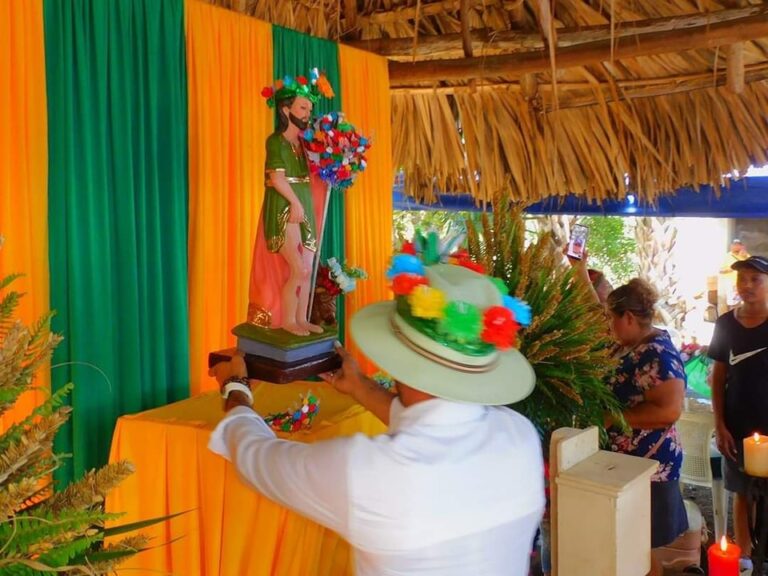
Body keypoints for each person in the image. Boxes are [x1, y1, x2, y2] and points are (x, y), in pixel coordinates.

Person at [209, 261, 545, 575]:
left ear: (400, 360)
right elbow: (434, 425)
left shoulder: (370, 470)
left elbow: (257, 457)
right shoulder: (520, 436)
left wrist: (235, 386)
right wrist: (361, 388)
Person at [569, 256, 687, 576]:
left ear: (630, 317)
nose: (606, 324)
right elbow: (593, 314)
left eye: (612, 317)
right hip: (628, 462)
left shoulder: (657, 353)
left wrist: (611, 418)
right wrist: (579, 270)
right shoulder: (627, 343)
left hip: (650, 466)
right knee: (631, 543)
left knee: (639, 547)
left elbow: (669, 410)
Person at [247, 72, 332, 336]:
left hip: (303, 203)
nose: (308, 113)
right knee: (300, 268)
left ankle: (300, 317)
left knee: (308, 267)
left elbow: (316, 174)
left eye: (309, 108)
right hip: (285, 206)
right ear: (286, 109)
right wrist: (295, 203)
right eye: (302, 107)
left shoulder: (305, 145)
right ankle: (287, 321)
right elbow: (277, 178)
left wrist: (336, 168)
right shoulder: (276, 142)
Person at [709, 255, 768, 574]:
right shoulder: (725, 324)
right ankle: (744, 555)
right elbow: (718, 376)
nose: (746, 285)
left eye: (755, 279)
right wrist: (719, 424)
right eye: (742, 279)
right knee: (742, 492)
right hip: (737, 423)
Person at [718, 239, 751, 315]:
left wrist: (746, 257)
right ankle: (732, 319)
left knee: (745, 303)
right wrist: (732, 268)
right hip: (732, 284)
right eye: (735, 245)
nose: (736, 246)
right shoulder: (727, 256)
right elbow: (720, 270)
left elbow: (752, 268)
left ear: (742, 246)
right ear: (731, 246)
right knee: (733, 304)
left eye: (738, 244)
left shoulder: (746, 255)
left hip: (744, 283)